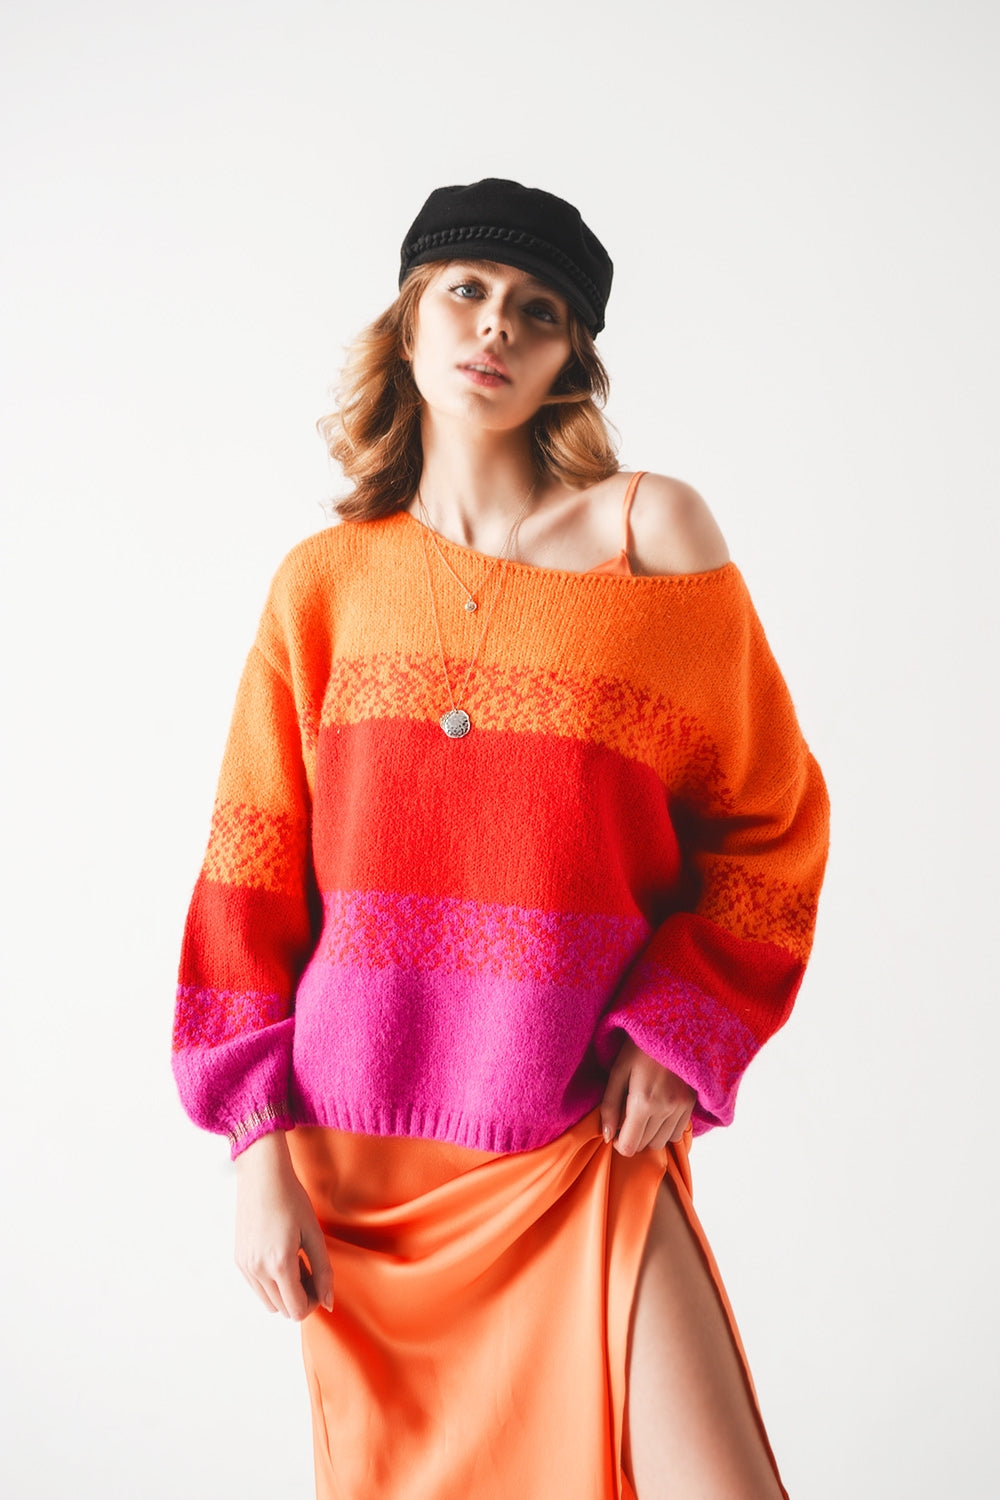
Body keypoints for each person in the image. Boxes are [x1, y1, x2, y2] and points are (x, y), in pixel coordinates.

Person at [172, 177, 829, 1500]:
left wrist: (681, 1025)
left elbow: (772, 825)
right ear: (408, 322)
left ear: (571, 356)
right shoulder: (323, 586)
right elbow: (249, 875)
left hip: (576, 1133)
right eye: (466, 292)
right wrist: (255, 1153)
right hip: (361, 1173)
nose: (494, 327)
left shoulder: (651, 539)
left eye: (537, 310)